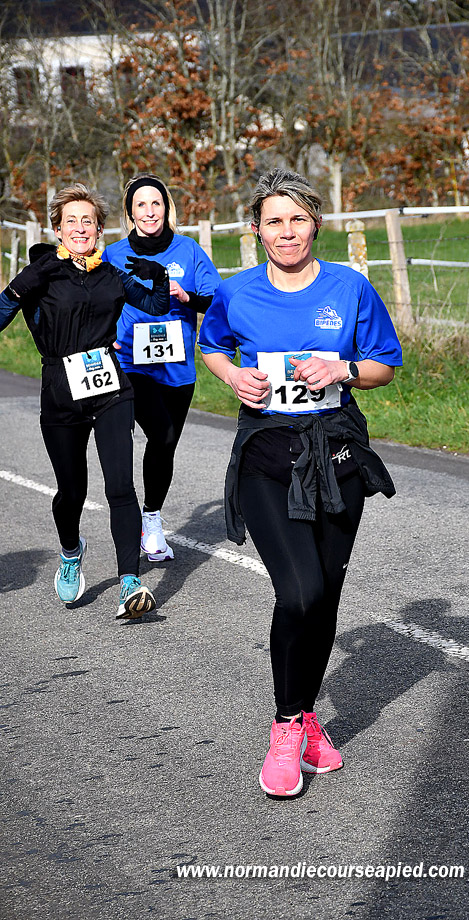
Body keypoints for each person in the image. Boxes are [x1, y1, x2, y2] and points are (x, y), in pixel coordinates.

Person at [198, 167, 403, 797]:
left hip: (337, 454)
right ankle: (286, 729)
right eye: (273, 221)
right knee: (299, 592)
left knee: (326, 597)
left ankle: (309, 717)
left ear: (315, 224)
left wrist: (344, 369)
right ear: (256, 230)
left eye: (297, 219)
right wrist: (234, 377)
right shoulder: (236, 292)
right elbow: (212, 345)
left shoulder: (350, 287)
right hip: (266, 455)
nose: (286, 232)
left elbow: (385, 365)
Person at [0, 183, 173, 619]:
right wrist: (19, 288)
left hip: (110, 389)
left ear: (99, 230)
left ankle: (130, 582)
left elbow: (155, 305)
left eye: (89, 221)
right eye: (71, 221)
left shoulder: (111, 275)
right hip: (60, 393)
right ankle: (70, 551)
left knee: (120, 486)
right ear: (58, 229)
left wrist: (158, 276)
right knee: (71, 490)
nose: (80, 228)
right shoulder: (43, 273)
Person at [103, 175, 221, 562]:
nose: (150, 211)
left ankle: (150, 518)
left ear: (166, 208)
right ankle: (134, 520)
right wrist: (103, 338)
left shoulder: (188, 251)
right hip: (130, 363)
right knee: (162, 431)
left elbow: (217, 302)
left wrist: (187, 296)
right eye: (141, 204)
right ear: (130, 212)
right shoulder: (113, 255)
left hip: (177, 366)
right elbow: (95, 304)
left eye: (156, 203)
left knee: (165, 444)